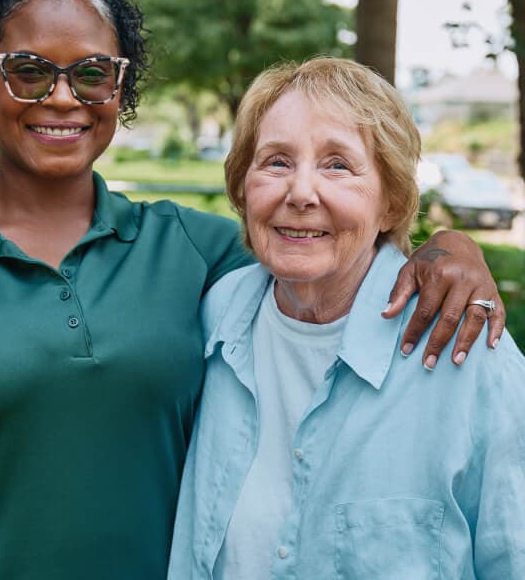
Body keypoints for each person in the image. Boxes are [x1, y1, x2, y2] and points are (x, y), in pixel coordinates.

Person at [0, 0, 503, 580]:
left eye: (91, 74)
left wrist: (450, 247)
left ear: (121, 90)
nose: (61, 97)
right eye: (28, 71)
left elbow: (324, 248)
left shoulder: (194, 254)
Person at [168, 57, 525, 580]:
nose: (301, 193)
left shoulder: (468, 357)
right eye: (276, 162)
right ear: (243, 190)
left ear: (391, 203)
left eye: (338, 165)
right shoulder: (213, 320)